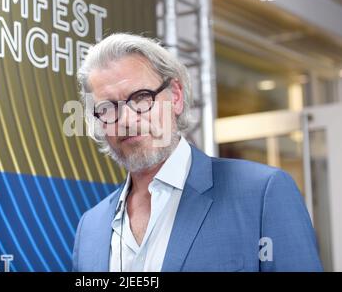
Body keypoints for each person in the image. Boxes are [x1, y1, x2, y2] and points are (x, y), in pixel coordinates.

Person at [72, 33, 322, 272]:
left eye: (141, 97)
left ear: (176, 97)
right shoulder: (90, 228)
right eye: (107, 108)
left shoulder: (262, 194)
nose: (126, 119)